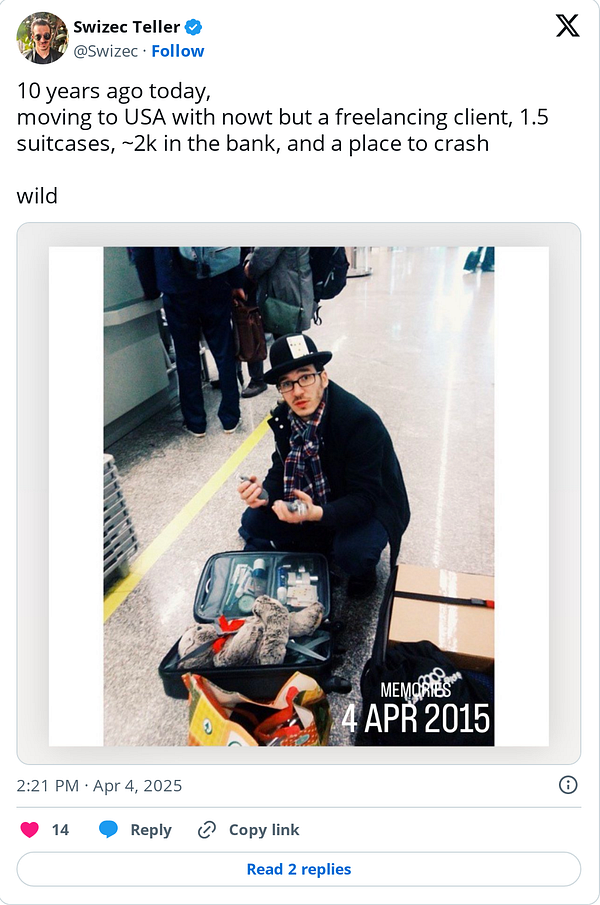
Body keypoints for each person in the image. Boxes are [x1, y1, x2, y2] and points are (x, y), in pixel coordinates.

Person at [238, 334, 410, 596]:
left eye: (305, 376)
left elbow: (365, 499)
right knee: (253, 521)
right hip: (319, 498)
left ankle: (361, 569)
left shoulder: (359, 422)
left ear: (323, 377)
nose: (297, 391)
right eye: (287, 383)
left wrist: (316, 513)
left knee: (353, 552)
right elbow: (281, 467)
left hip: (370, 502)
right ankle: (318, 540)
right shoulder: (286, 418)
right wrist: (263, 494)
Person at [131, 247, 241, 437]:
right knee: (223, 351)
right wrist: (236, 280)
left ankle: (196, 423)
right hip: (214, 279)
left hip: (176, 285)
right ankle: (230, 418)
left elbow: (142, 252)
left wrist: (151, 289)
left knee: (186, 356)